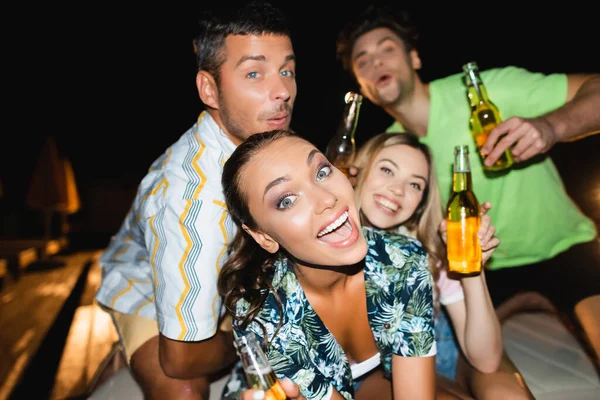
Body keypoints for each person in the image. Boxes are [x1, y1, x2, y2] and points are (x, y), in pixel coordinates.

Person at [335, 4, 600, 323]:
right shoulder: (386, 153)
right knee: (469, 362)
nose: (375, 61)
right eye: (362, 60)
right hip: (479, 269)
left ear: (415, 58)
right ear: (360, 84)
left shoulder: (486, 91)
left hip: (565, 248)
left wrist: (552, 126)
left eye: (387, 49)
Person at [94, 2, 297, 399]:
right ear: (209, 89)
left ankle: (123, 362)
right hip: (143, 285)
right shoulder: (192, 205)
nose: (283, 91)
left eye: (286, 70)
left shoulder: (265, 131)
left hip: (228, 279)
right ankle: (126, 353)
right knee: (183, 388)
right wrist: (248, 339)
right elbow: (182, 358)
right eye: (254, 73)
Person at [218, 129, 437, 400]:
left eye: (322, 172)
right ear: (263, 237)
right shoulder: (265, 314)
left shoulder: (403, 260)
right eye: (286, 200)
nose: (327, 199)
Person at [352, 131, 535, 399]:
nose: (398, 189)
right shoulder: (325, 242)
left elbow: (486, 360)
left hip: (449, 346)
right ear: (358, 171)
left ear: (419, 205)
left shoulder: (426, 252)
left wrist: (471, 262)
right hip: (383, 365)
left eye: (415, 185)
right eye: (387, 170)